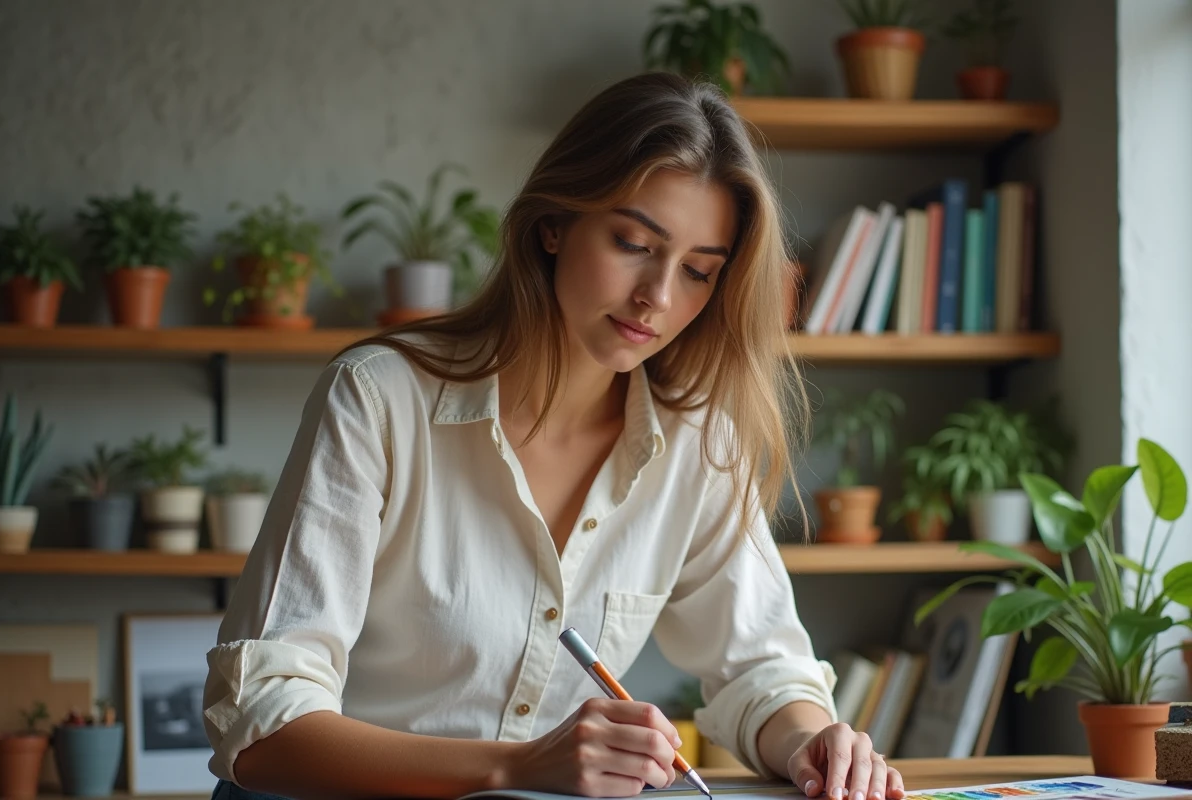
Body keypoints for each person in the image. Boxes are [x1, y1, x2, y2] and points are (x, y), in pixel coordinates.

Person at [202, 71, 906, 800]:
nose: (658, 298)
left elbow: (761, 667)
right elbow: (262, 720)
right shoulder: (379, 399)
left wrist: (808, 742)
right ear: (553, 224)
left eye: (699, 272)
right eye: (634, 243)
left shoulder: (697, 444)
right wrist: (515, 766)